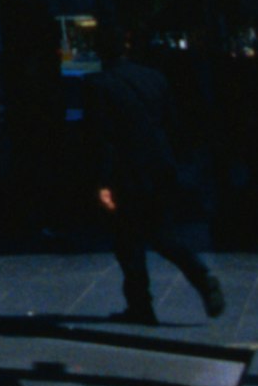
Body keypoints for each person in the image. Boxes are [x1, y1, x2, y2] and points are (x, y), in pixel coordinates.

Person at [91, 35, 223, 324]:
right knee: (162, 232)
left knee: (127, 241)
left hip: (125, 172)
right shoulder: (154, 79)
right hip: (159, 167)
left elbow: (104, 139)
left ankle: (141, 305)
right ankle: (200, 276)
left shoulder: (100, 86)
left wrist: (102, 182)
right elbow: (172, 123)